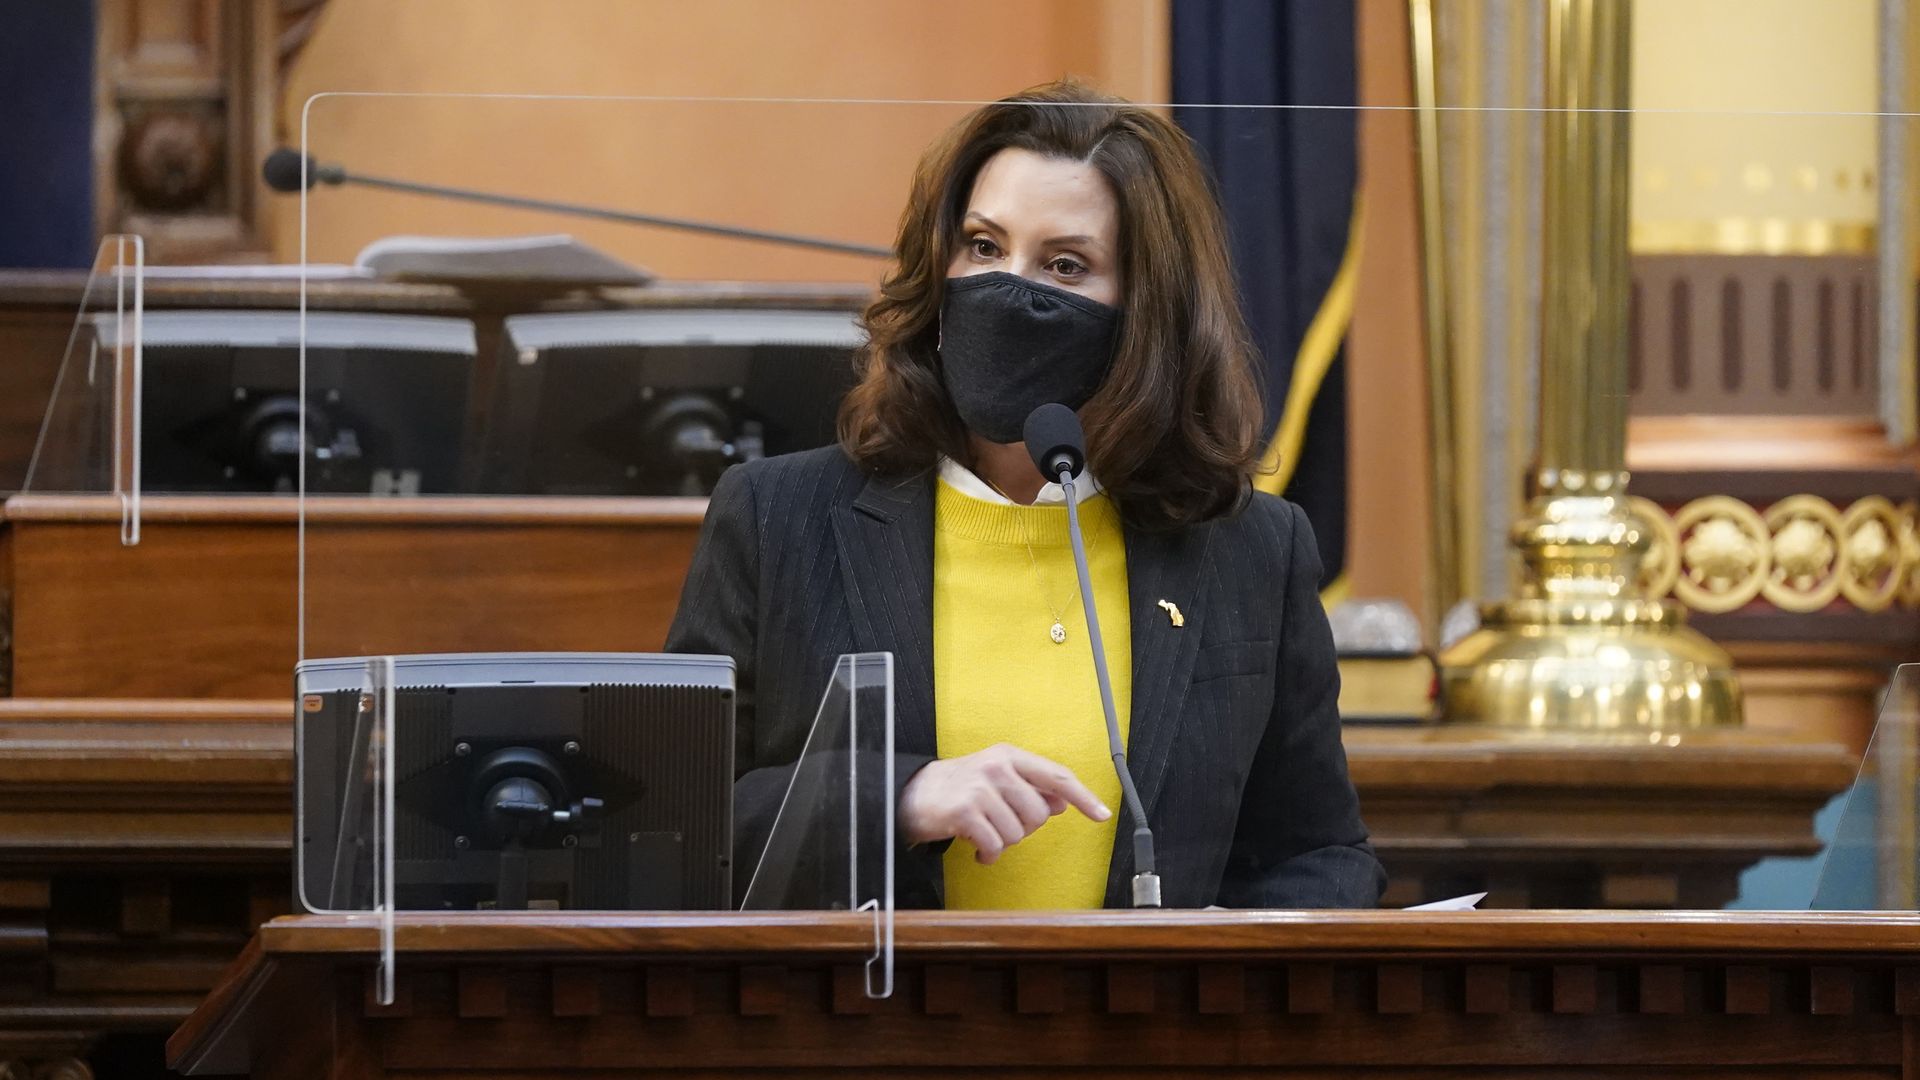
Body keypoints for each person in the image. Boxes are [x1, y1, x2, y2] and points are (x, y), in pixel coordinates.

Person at [665, 80, 1384, 910]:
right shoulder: (773, 517)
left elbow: (1321, 853)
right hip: (862, 1028)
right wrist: (894, 800)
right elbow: (675, 820)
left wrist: (1227, 968)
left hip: (1140, 1035)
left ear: (1146, 312)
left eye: (1065, 264)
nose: (1010, 287)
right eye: (982, 246)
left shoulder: (1251, 548)